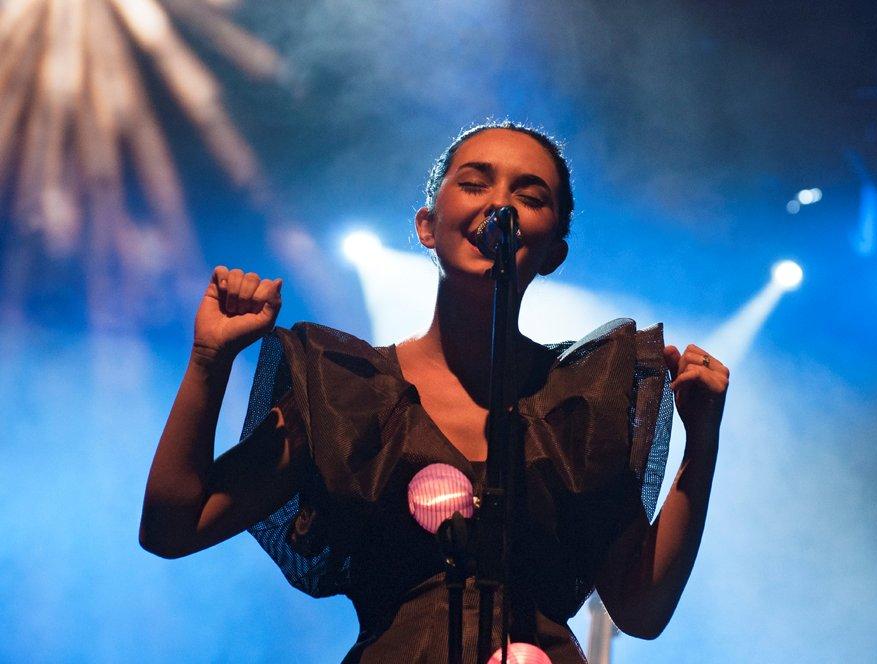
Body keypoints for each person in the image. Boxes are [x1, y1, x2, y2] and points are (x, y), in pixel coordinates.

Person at [139, 121, 729, 663]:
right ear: (426, 225)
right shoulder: (347, 396)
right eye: (474, 184)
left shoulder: (579, 405)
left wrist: (701, 443)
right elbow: (173, 528)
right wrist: (209, 361)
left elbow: (641, 609)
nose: (501, 206)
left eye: (529, 197)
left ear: (554, 252)